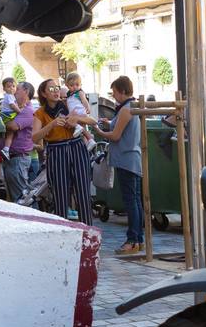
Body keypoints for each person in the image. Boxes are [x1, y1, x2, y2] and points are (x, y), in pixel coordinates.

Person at [36, 78, 96, 224]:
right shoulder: (40, 113)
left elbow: (92, 120)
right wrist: (51, 125)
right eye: (51, 89)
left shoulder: (68, 104)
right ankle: (63, 232)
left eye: (56, 88)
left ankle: (87, 232)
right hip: (56, 150)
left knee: (82, 191)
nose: (55, 91)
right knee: (60, 194)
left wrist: (75, 118)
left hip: (77, 147)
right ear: (43, 94)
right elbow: (34, 137)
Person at [96, 76, 143, 254]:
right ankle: (137, 239)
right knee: (135, 200)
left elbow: (116, 136)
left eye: (115, 92)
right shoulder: (132, 106)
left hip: (126, 159)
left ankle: (132, 240)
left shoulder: (125, 110)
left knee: (131, 201)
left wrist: (100, 131)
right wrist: (110, 123)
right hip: (132, 158)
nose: (114, 96)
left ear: (123, 91)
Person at [2, 81, 36, 202]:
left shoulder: (27, 110)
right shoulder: (19, 108)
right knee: (17, 198)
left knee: (22, 199)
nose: (14, 91)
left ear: (26, 92)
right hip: (12, 159)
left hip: (18, 160)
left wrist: (0, 122)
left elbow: (12, 126)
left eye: (18, 89)